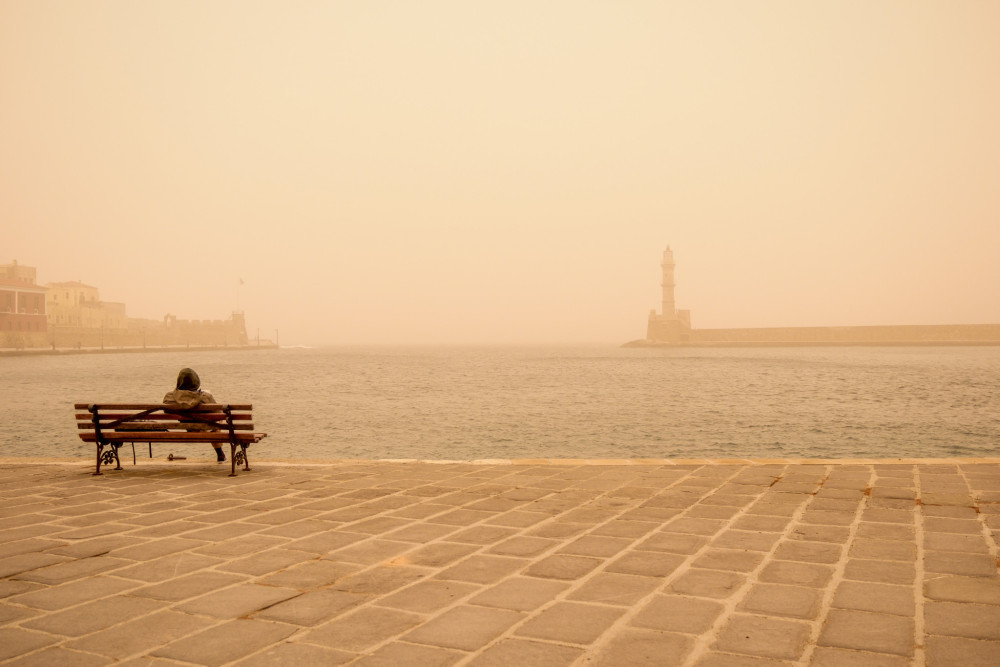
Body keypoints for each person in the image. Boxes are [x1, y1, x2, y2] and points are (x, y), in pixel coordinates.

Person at [162, 367, 225, 462]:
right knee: (217, 422)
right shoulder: (206, 397)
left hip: (186, 426)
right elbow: (219, 413)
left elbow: (166, 410)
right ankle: (220, 453)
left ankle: (220, 454)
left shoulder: (169, 397)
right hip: (204, 427)